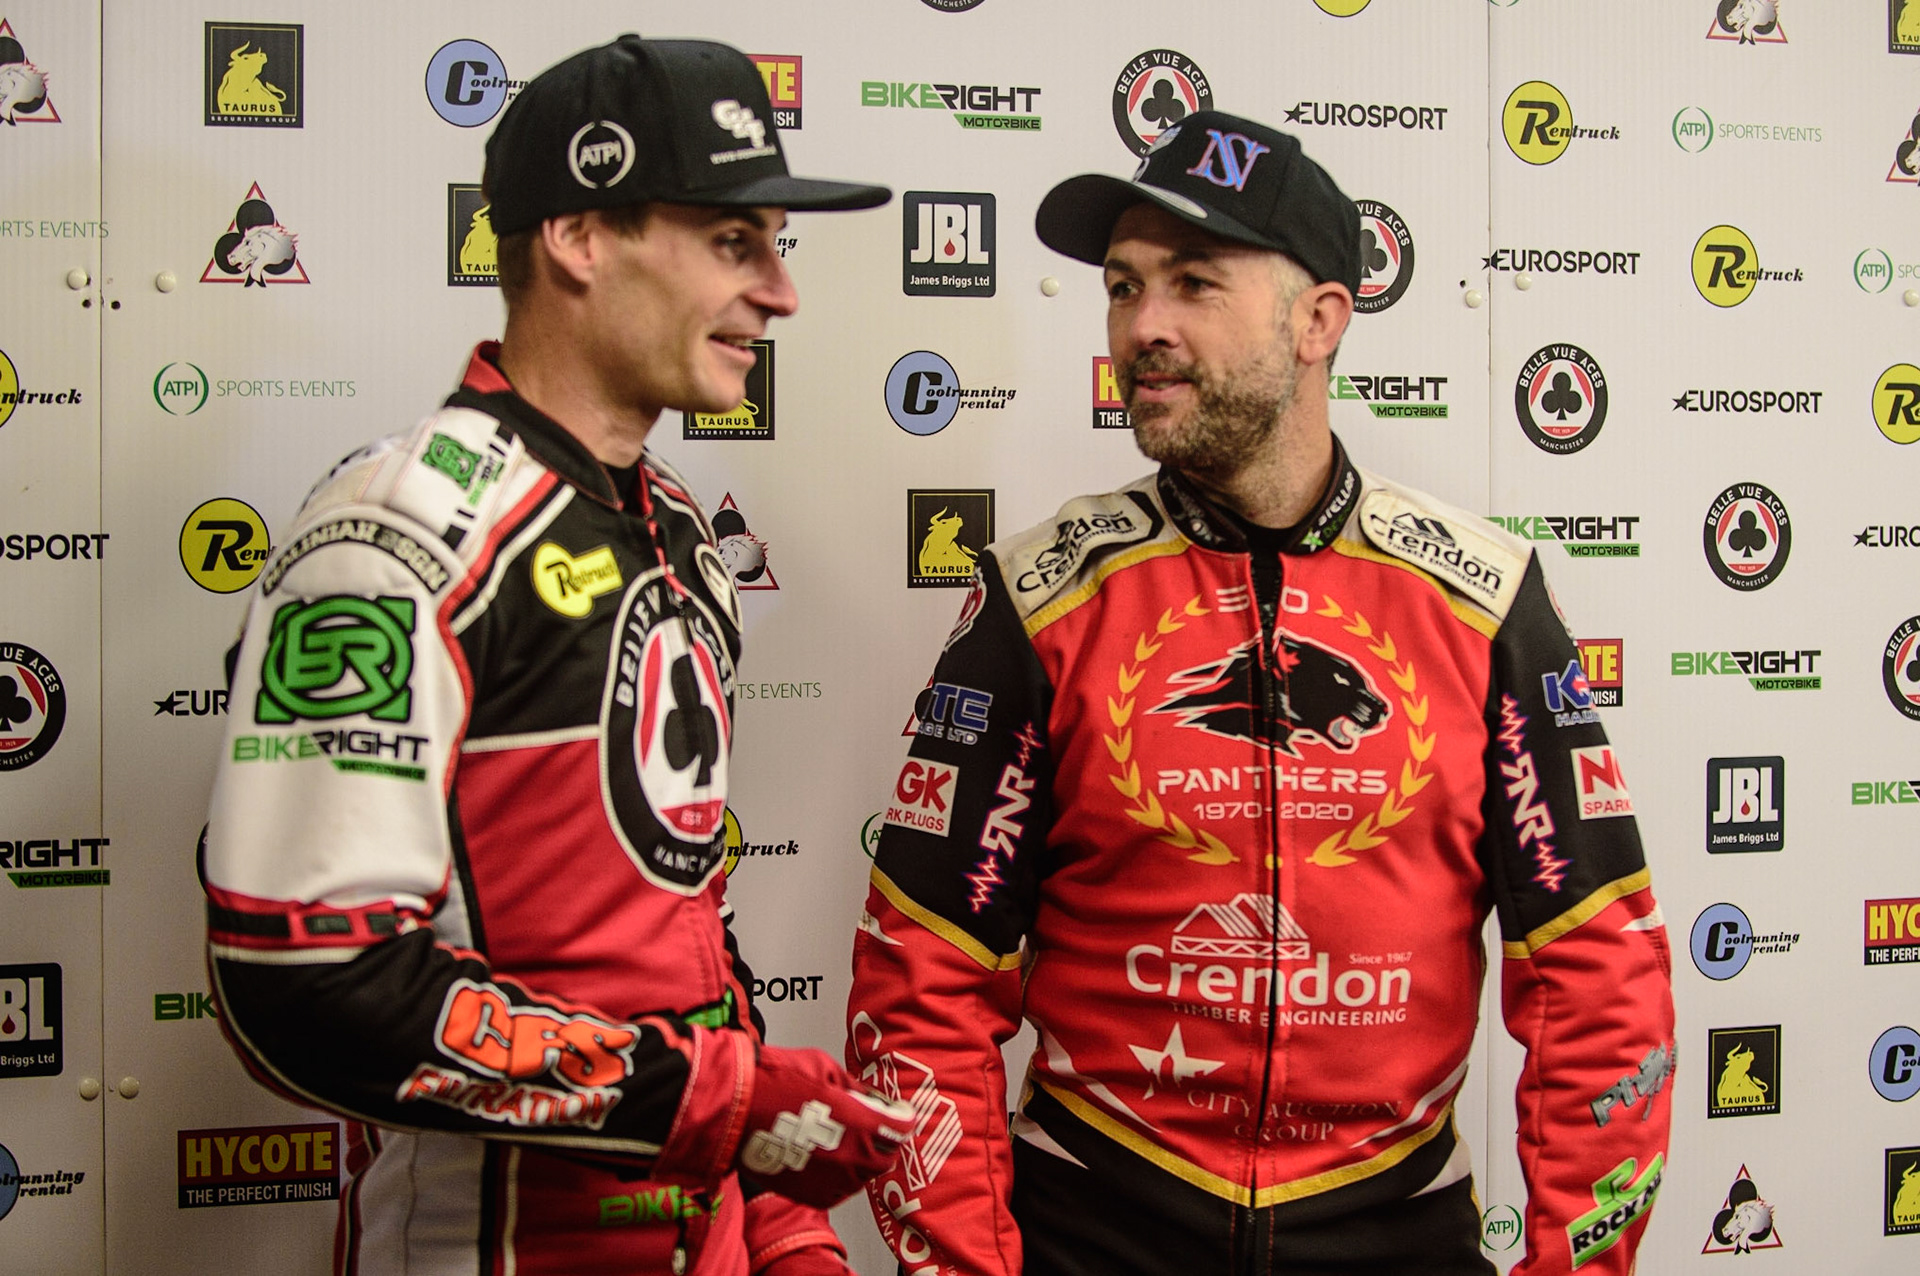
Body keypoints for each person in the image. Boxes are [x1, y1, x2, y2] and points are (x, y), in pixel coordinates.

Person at [846, 112, 1674, 1276]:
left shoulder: (1482, 601)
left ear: (1320, 320)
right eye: (1125, 287)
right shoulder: (1036, 601)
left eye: (1194, 283)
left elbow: (1601, 969)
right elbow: (921, 976)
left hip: (1394, 1229)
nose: (1145, 327)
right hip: (1094, 1227)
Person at [201, 34, 913, 1276]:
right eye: (733, 242)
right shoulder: (400, 526)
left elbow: (679, 920)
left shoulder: (681, 531)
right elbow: (306, 981)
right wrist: (713, 1108)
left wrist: (782, 1216)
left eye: (776, 248)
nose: (782, 291)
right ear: (580, 237)